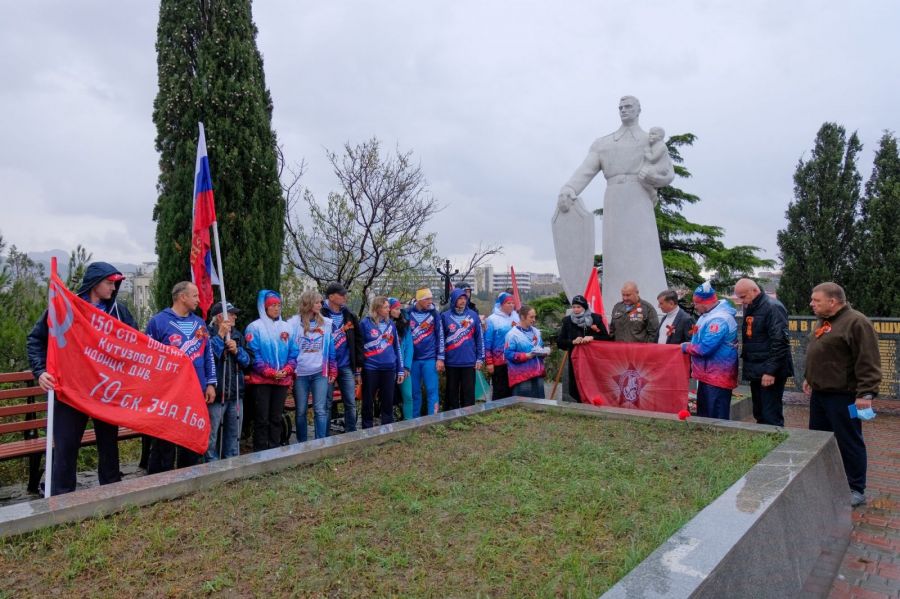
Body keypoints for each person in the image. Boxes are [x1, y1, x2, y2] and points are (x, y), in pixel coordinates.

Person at [26, 262, 138, 495]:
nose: (113, 287)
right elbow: (36, 340)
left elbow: (136, 343)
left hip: (106, 390)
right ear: (94, 283)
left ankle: (111, 492)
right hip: (71, 390)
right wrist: (40, 372)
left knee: (109, 444)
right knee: (66, 446)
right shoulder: (65, 307)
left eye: (115, 283)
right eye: (109, 283)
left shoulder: (119, 311)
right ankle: (61, 498)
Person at [557, 96, 675, 317]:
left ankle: (651, 308)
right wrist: (568, 189)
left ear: (639, 110)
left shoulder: (651, 142)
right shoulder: (604, 143)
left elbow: (667, 173)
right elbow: (585, 170)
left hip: (640, 200)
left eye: (628, 106)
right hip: (614, 201)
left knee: (645, 252)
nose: (623, 110)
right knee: (615, 256)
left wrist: (652, 176)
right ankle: (614, 308)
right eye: (620, 107)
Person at [803, 282, 881, 507]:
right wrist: (810, 378)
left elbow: (868, 361)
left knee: (849, 441)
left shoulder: (856, 322)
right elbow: (823, 353)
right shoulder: (825, 322)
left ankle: (856, 488)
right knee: (819, 440)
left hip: (844, 396)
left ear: (833, 301)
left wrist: (865, 394)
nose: (812, 304)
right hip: (821, 394)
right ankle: (828, 481)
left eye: (816, 300)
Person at [145, 282, 217, 472]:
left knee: (190, 439)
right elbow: (149, 358)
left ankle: (188, 477)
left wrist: (210, 383)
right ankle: (160, 481)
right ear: (182, 297)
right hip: (169, 395)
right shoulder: (158, 322)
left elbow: (207, 354)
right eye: (195, 295)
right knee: (164, 441)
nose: (198, 300)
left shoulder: (199, 324)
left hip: (195, 393)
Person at [733, 278, 793, 426]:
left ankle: (776, 445)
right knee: (759, 412)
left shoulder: (772, 307)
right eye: (739, 297)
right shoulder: (752, 306)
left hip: (769, 371)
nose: (741, 301)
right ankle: (764, 445)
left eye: (743, 297)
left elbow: (780, 342)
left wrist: (770, 371)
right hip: (757, 368)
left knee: (770, 414)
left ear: (754, 291)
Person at [244, 290, 298, 451]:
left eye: (279, 305)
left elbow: (294, 352)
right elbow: (254, 354)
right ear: (265, 307)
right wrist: (269, 372)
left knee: (276, 417)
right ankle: (260, 450)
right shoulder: (254, 328)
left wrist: (287, 369)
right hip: (262, 381)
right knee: (262, 418)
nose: (276, 308)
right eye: (273, 305)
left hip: (282, 380)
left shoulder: (287, 328)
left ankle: (274, 448)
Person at [680, 282, 738, 420]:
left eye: (696, 303)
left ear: (705, 303)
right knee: (704, 416)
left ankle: (719, 441)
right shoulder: (707, 315)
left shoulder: (719, 319)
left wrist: (685, 347)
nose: (694, 306)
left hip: (718, 377)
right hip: (707, 375)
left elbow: (705, 348)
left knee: (716, 418)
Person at [289, 289, 336, 441]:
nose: (320, 304)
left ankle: (320, 443)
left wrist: (333, 369)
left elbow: (331, 348)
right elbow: (289, 349)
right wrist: (289, 372)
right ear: (308, 303)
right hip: (300, 374)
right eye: (316, 302)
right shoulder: (293, 324)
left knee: (320, 410)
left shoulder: (327, 323)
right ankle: (302, 444)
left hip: (319, 373)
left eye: (321, 301)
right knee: (301, 410)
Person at [206, 301, 250, 461]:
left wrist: (237, 351)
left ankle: (231, 461)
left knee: (233, 432)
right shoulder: (207, 334)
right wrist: (220, 337)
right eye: (231, 314)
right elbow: (209, 357)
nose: (235, 317)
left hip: (235, 392)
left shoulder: (237, 335)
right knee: (212, 433)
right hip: (217, 394)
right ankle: (211, 464)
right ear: (220, 317)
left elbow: (247, 362)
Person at [321, 282, 363, 433]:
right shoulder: (320, 314)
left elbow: (358, 340)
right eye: (341, 294)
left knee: (350, 402)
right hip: (327, 367)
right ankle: (324, 436)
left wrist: (358, 363)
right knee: (326, 403)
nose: (345, 297)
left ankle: (350, 434)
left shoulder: (349, 315)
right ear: (331, 297)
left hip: (346, 366)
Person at [359, 296, 404, 428]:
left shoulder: (391, 325)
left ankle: (387, 429)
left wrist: (400, 369)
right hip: (370, 368)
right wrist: (358, 369)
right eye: (385, 307)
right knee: (368, 402)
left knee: (388, 402)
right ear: (377, 308)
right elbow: (359, 347)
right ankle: (367, 430)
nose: (388, 309)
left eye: (388, 307)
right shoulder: (365, 324)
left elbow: (397, 348)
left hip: (389, 369)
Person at [556, 294, 611, 401]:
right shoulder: (567, 321)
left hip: (593, 360)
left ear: (584, 307)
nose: (576, 310)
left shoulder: (595, 318)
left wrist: (592, 337)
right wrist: (572, 342)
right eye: (574, 307)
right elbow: (560, 342)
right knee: (576, 384)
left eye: (579, 307)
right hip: (576, 359)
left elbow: (606, 338)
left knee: (593, 383)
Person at [441, 287, 485, 410]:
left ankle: (468, 419)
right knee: (452, 393)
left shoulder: (473, 315)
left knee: (468, 394)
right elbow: (440, 339)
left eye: (464, 298)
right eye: (459, 298)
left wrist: (480, 358)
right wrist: (441, 358)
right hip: (451, 362)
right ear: (454, 299)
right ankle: (452, 420)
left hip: (469, 362)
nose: (462, 301)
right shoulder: (445, 316)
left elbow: (479, 338)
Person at [407, 288, 445, 417]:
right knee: (414, 392)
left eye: (431, 298)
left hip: (430, 359)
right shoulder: (408, 313)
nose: (430, 301)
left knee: (432, 391)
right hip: (412, 360)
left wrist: (440, 358)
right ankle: (414, 422)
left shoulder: (434, 313)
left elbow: (440, 336)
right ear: (419, 300)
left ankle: (433, 421)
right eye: (427, 299)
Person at [504, 304, 549, 398]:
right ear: (522, 317)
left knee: (539, 405)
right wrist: (526, 356)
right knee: (524, 406)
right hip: (522, 376)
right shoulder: (512, 334)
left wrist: (545, 352)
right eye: (531, 317)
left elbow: (540, 347)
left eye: (535, 317)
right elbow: (508, 354)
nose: (534, 320)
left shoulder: (536, 332)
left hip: (537, 374)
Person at [484, 292, 520, 400]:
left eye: (513, 303)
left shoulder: (516, 317)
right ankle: (497, 411)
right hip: (499, 361)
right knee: (500, 390)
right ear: (501, 304)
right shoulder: (492, 319)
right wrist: (489, 362)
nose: (511, 305)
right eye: (508, 303)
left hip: (514, 360)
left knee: (513, 389)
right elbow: (487, 342)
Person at [389, 297, 414, 419]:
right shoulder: (381, 325)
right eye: (396, 308)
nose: (399, 311)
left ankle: (409, 423)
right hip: (387, 367)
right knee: (389, 398)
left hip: (403, 367)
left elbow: (409, 346)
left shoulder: (405, 324)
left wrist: (407, 367)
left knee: (408, 396)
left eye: (399, 308)